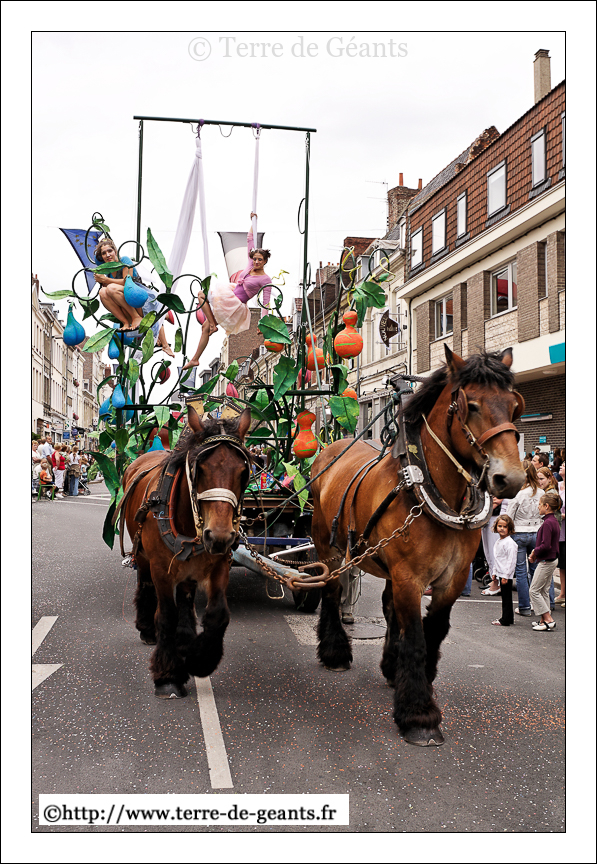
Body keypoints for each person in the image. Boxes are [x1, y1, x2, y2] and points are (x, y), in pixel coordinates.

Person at [183, 214, 272, 369]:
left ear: (265, 261)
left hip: (234, 304)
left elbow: (266, 303)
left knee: (201, 295)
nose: (256, 262)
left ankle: (212, 325)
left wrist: (262, 323)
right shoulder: (250, 265)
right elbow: (250, 239)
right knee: (204, 326)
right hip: (229, 295)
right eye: (255, 259)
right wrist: (253, 221)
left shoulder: (265, 279)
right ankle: (195, 359)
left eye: (260, 260)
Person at [94, 238, 174, 355]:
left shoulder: (124, 260)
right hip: (125, 302)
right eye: (104, 253)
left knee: (110, 288)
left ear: (115, 251)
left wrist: (106, 280)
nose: (107, 255)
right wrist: (101, 281)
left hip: (138, 296)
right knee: (102, 292)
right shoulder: (109, 272)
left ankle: (140, 319)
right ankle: (125, 322)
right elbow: (109, 293)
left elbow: (127, 283)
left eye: (109, 251)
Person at [506, 461, 543, 616]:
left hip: (520, 532)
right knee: (535, 570)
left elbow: (509, 516)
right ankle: (538, 605)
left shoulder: (518, 493)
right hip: (536, 531)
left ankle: (524, 607)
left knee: (521, 571)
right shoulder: (541, 492)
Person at [529, 492, 562, 631]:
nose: (538, 507)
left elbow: (546, 545)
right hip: (551, 559)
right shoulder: (553, 521)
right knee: (543, 591)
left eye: (540, 504)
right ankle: (543, 620)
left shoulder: (548, 523)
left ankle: (548, 619)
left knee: (534, 590)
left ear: (546, 506)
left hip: (546, 561)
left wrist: (534, 552)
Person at [491, 515, 518, 626]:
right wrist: (494, 572)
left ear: (509, 528)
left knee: (506, 598)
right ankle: (509, 618)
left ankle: (505, 620)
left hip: (506, 574)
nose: (502, 529)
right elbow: (497, 558)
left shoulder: (510, 543)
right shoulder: (499, 541)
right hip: (501, 573)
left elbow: (511, 561)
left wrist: (506, 576)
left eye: (505, 526)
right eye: (499, 526)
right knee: (505, 597)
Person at [555, 463, 566, 606]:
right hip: (559, 531)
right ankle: (563, 594)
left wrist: (563, 515)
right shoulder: (557, 485)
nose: (561, 466)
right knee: (562, 564)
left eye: (565, 465)